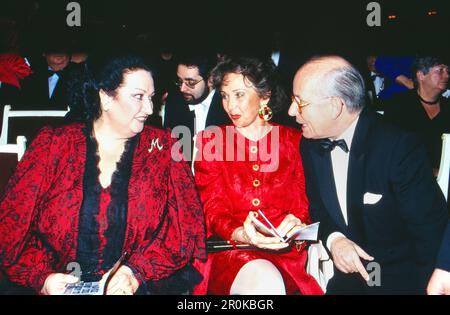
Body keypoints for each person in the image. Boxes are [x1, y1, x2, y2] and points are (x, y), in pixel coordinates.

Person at [0, 54, 206, 295]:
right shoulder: (53, 146)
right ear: (105, 97)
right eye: (139, 97)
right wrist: (43, 278)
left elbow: (185, 229)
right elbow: (12, 226)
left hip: (140, 284)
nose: (149, 109)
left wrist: (135, 272)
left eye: (151, 98)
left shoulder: (163, 148)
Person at [289, 55, 448, 294]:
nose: (291, 111)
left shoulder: (398, 148)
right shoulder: (310, 144)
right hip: (348, 281)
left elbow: (429, 234)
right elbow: (317, 208)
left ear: (335, 106)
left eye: (300, 102)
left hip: (401, 280)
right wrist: (335, 240)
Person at [193, 56, 323, 295]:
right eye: (224, 95)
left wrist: (296, 222)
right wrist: (241, 233)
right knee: (264, 282)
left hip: (286, 256)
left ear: (265, 96)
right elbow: (212, 209)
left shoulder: (295, 142)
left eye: (239, 94)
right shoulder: (212, 141)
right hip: (231, 250)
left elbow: (303, 204)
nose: (230, 106)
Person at [384, 56, 450, 173]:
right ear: (421, 75)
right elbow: (388, 149)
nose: (447, 76)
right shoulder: (399, 105)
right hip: (407, 176)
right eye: (440, 71)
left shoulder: (447, 107)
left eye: (447, 71)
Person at [163, 52, 230, 162]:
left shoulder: (227, 106)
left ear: (211, 79)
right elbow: (169, 151)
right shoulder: (175, 101)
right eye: (180, 81)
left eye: (190, 82)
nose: (182, 89)